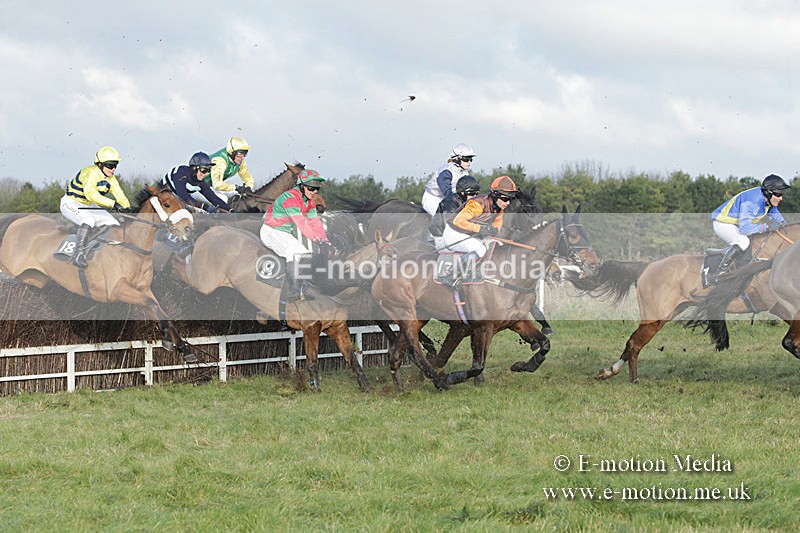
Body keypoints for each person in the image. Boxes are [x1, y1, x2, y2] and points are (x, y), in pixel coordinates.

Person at [261, 168, 330, 300]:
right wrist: (317, 240)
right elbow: (301, 223)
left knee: (305, 255)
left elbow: (314, 222)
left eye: (317, 189)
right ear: (302, 186)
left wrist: (324, 241)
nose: (314, 192)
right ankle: (293, 291)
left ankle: (303, 287)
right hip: (270, 231)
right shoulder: (290, 198)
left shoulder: (309, 202)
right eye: (311, 188)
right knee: (295, 254)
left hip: (284, 233)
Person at [60, 146, 131, 268]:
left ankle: (96, 248)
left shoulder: (111, 179)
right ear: (99, 164)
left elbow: (120, 196)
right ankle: (79, 253)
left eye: (115, 165)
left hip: (87, 205)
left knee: (112, 222)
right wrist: (113, 204)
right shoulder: (91, 173)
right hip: (70, 203)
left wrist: (129, 210)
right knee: (89, 220)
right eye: (110, 165)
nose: (113, 169)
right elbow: (91, 194)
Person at [710, 174, 791, 279]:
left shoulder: (768, 200)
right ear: (768, 193)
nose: (781, 198)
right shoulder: (751, 202)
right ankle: (720, 274)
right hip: (723, 223)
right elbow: (745, 229)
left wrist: (786, 226)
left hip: (735, 225)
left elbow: (777, 217)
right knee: (743, 242)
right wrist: (767, 227)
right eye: (779, 194)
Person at [442, 175, 517, 287]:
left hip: (470, 235)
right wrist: (480, 229)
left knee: (498, 245)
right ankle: (452, 275)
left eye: (510, 199)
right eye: (505, 199)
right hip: (454, 233)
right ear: (495, 195)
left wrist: (494, 231)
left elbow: (497, 223)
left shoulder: (499, 208)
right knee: (480, 249)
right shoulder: (477, 204)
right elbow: (458, 221)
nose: (508, 203)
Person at [161, 152, 234, 213]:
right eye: (204, 170)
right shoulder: (181, 172)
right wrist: (205, 207)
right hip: (160, 193)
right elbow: (183, 195)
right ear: (194, 168)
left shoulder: (200, 183)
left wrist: (231, 210)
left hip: (175, 199)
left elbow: (213, 198)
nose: (206, 174)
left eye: (209, 170)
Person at [427, 175, 481, 249]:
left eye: (477, 193)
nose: (475, 197)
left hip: (455, 236)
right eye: (472, 193)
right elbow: (452, 227)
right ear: (462, 193)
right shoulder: (450, 203)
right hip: (439, 237)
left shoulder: (470, 203)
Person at [421, 143, 476, 215]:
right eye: (466, 159)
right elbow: (447, 191)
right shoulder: (447, 171)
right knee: (447, 219)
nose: (469, 162)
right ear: (457, 159)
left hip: (446, 200)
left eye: (470, 159)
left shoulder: (464, 173)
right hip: (433, 199)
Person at [204, 136, 256, 204]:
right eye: (240, 153)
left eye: (245, 154)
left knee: (236, 196)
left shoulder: (240, 161)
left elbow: (248, 178)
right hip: (197, 188)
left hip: (210, 188)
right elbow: (217, 184)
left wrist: (248, 187)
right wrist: (236, 187)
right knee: (223, 199)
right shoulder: (220, 160)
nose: (242, 157)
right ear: (232, 152)